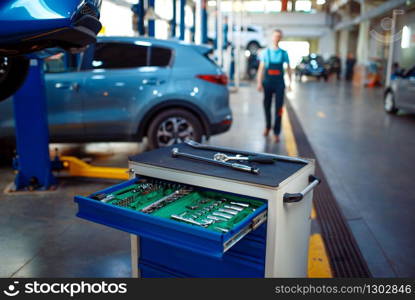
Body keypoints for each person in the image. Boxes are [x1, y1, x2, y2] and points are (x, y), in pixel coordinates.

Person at [257, 29, 292, 143]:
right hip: (268, 83)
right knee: (266, 106)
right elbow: (261, 69)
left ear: (280, 38)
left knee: (279, 108)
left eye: (279, 36)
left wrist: (290, 83)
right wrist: (259, 82)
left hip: (279, 84)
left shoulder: (284, 53)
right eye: (275, 36)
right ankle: (268, 127)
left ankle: (276, 132)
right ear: (272, 38)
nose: (277, 38)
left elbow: (288, 68)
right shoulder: (266, 53)